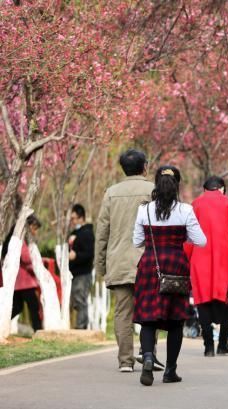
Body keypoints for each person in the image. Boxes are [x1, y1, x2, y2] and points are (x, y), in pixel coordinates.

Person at [132, 165, 206, 386]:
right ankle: (170, 371)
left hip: (149, 266)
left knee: (148, 318)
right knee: (175, 320)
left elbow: (136, 241)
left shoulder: (143, 210)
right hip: (176, 265)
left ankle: (147, 357)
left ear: (156, 184)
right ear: (177, 185)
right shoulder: (185, 210)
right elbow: (201, 241)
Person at [95, 149, 162, 373]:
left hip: (119, 261)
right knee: (150, 310)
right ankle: (148, 354)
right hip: (149, 261)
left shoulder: (111, 193)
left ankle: (125, 361)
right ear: (145, 167)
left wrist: (100, 265)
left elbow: (102, 231)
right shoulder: (153, 190)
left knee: (123, 312)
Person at [187, 176, 228, 357]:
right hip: (225, 260)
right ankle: (223, 344)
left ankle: (208, 346)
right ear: (221, 188)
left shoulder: (195, 204)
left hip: (199, 259)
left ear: (205, 189)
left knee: (202, 300)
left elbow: (190, 236)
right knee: (226, 299)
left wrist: (186, 260)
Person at [1, 216, 43, 332]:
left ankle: (1, 323)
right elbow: (26, 258)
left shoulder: (14, 239)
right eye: (34, 228)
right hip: (25, 282)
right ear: (28, 227)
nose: (35, 232)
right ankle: (38, 331)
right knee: (34, 307)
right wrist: (35, 260)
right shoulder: (21, 240)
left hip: (18, 282)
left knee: (17, 307)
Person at [68, 204, 95, 329]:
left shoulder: (87, 233)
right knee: (75, 302)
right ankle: (79, 325)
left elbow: (89, 254)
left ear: (81, 218)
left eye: (74, 218)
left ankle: (82, 327)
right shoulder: (74, 233)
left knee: (80, 300)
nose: (72, 221)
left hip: (83, 274)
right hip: (73, 273)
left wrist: (76, 256)